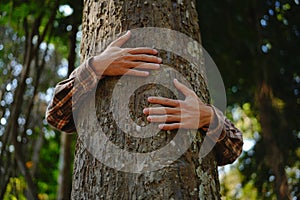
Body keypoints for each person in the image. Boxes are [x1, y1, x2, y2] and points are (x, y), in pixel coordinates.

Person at [46, 31, 243, 166]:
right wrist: (96, 67)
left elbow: (233, 149)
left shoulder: (196, 77)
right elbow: (57, 115)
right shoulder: (87, 80)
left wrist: (208, 117)